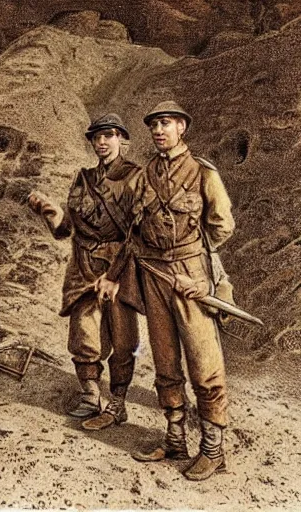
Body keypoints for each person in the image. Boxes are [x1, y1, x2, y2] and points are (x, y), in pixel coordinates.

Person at [98, 101, 235, 480]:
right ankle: (175, 438)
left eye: (167, 124)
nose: (159, 130)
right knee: (165, 363)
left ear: (182, 129)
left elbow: (221, 226)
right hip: (153, 276)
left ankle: (213, 449)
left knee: (205, 366)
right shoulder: (144, 177)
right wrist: (114, 273)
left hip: (190, 278)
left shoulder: (203, 174)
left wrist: (202, 276)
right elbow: (133, 232)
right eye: (155, 124)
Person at [28, 114, 144, 431]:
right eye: (96, 137)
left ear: (123, 140)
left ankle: (117, 403)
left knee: (123, 340)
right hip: (83, 266)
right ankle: (90, 395)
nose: (102, 142)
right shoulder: (83, 179)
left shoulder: (135, 178)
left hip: (119, 266)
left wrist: (116, 274)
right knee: (83, 334)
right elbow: (64, 230)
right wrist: (47, 210)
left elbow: (138, 233)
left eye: (108, 136)